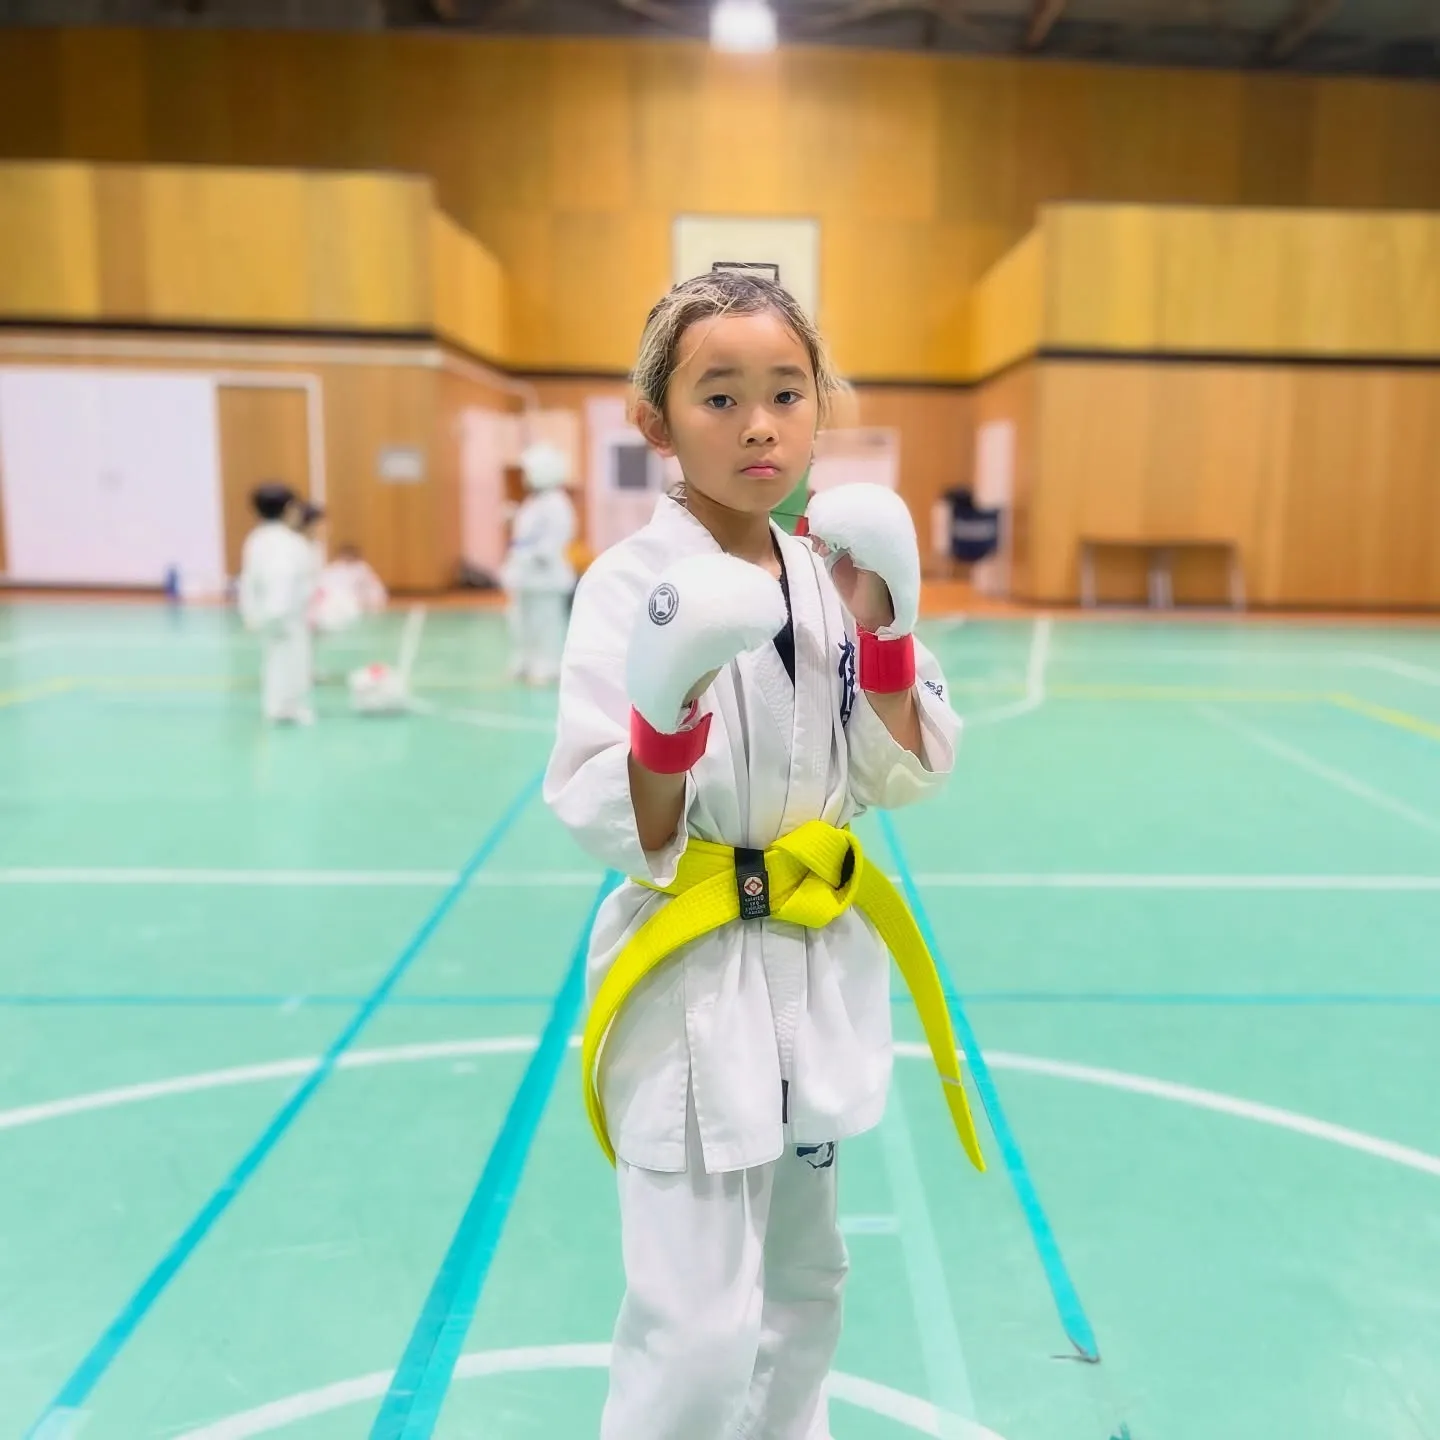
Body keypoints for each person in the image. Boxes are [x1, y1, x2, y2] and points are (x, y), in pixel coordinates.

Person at [544, 271, 983, 1440]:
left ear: (820, 412)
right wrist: (666, 706)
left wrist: (885, 624)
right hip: (691, 980)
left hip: (811, 966)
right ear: (656, 424)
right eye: (720, 396)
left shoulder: (824, 574)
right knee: (692, 1336)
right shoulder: (630, 588)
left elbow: (902, 774)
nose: (759, 425)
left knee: (803, 1300)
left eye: (787, 394)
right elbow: (612, 817)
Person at [237, 482, 316, 725]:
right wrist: (277, 611)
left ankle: (280, 705)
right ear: (289, 508)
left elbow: (248, 580)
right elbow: (281, 577)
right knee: (289, 658)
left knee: (276, 658)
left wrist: (251, 612)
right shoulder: (288, 543)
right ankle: (286, 707)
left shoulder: (256, 539)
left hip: (271, 612)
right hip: (284, 613)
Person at [501, 440, 578, 685]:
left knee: (545, 623)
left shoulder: (557, 503)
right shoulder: (535, 501)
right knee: (521, 621)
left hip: (546, 575)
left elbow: (555, 539)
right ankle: (525, 659)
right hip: (524, 575)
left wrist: (533, 554)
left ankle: (547, 664)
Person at [311, 542, 388, 635]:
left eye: (350, 555)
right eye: (345, 555)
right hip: (332, 601)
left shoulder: (362, 569)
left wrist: (372, 603)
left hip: (350, 603)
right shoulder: (332, 568)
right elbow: (321, 587)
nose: (347, 557)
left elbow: (375, 589)